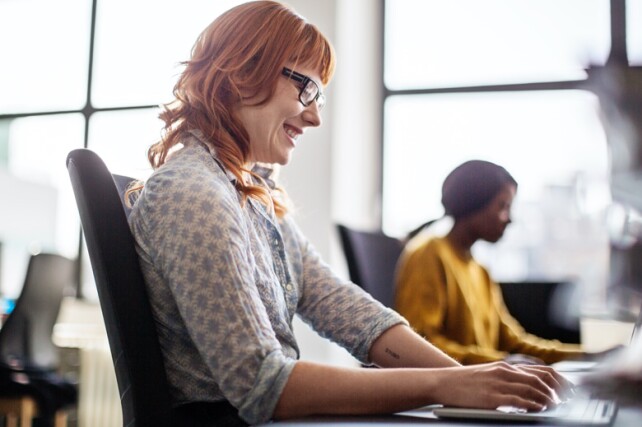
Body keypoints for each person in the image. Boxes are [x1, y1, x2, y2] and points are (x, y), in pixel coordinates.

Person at [127, 2, 572, 426]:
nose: (315, 116)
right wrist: (448, 383)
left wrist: (468, 381)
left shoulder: (253, 196)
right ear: (243, 72)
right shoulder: (193, 193)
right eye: (308, 89)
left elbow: (346, 311)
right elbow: (263, 384)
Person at [395, 159, 596, 366]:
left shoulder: (479, 270)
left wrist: (590, 356)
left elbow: (513, 344)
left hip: (483, 385)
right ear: (473, 203)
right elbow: (419, 345)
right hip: (450, 391)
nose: (510, 218)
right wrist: (503, 363)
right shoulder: (428, 254)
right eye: (503, 206)